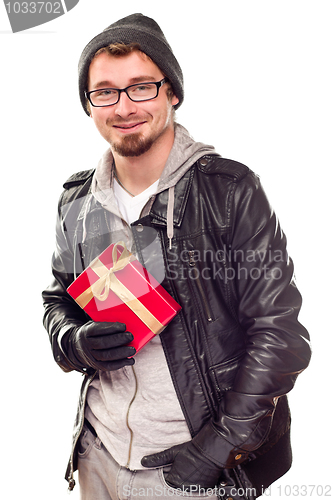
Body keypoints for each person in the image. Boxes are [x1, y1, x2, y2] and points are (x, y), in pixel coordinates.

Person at [42, 13, 311, 500]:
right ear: (88, 104)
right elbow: (57, 298)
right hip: (98, 456)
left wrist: (219, 448)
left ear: (173, 93)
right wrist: (73, 340)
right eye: (105, 91)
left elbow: (282, 336)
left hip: (194, 467)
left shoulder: (229, 191)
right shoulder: (77, 202)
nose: (123, 106)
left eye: (141, 87)